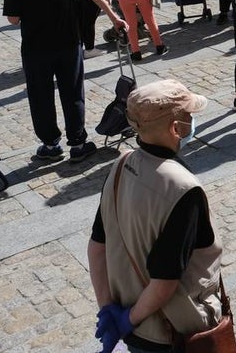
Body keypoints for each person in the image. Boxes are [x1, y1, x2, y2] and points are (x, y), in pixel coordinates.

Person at [87, 80, 224, 353]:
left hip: (136, 332)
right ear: (176, 128)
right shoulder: (184, 189)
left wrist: (109, 311)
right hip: (172, 335)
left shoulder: (121, 163)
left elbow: (97, 246)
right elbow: (165, 282)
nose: (192, 121)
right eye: (189, 116)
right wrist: (129, 320)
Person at [3, 0, 124, 163]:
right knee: (73, 93)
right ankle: (78, 144)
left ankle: (50, 144)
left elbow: (13, 19)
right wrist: (115, 18)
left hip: (36, 49)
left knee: (41, 96)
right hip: (69, 44)